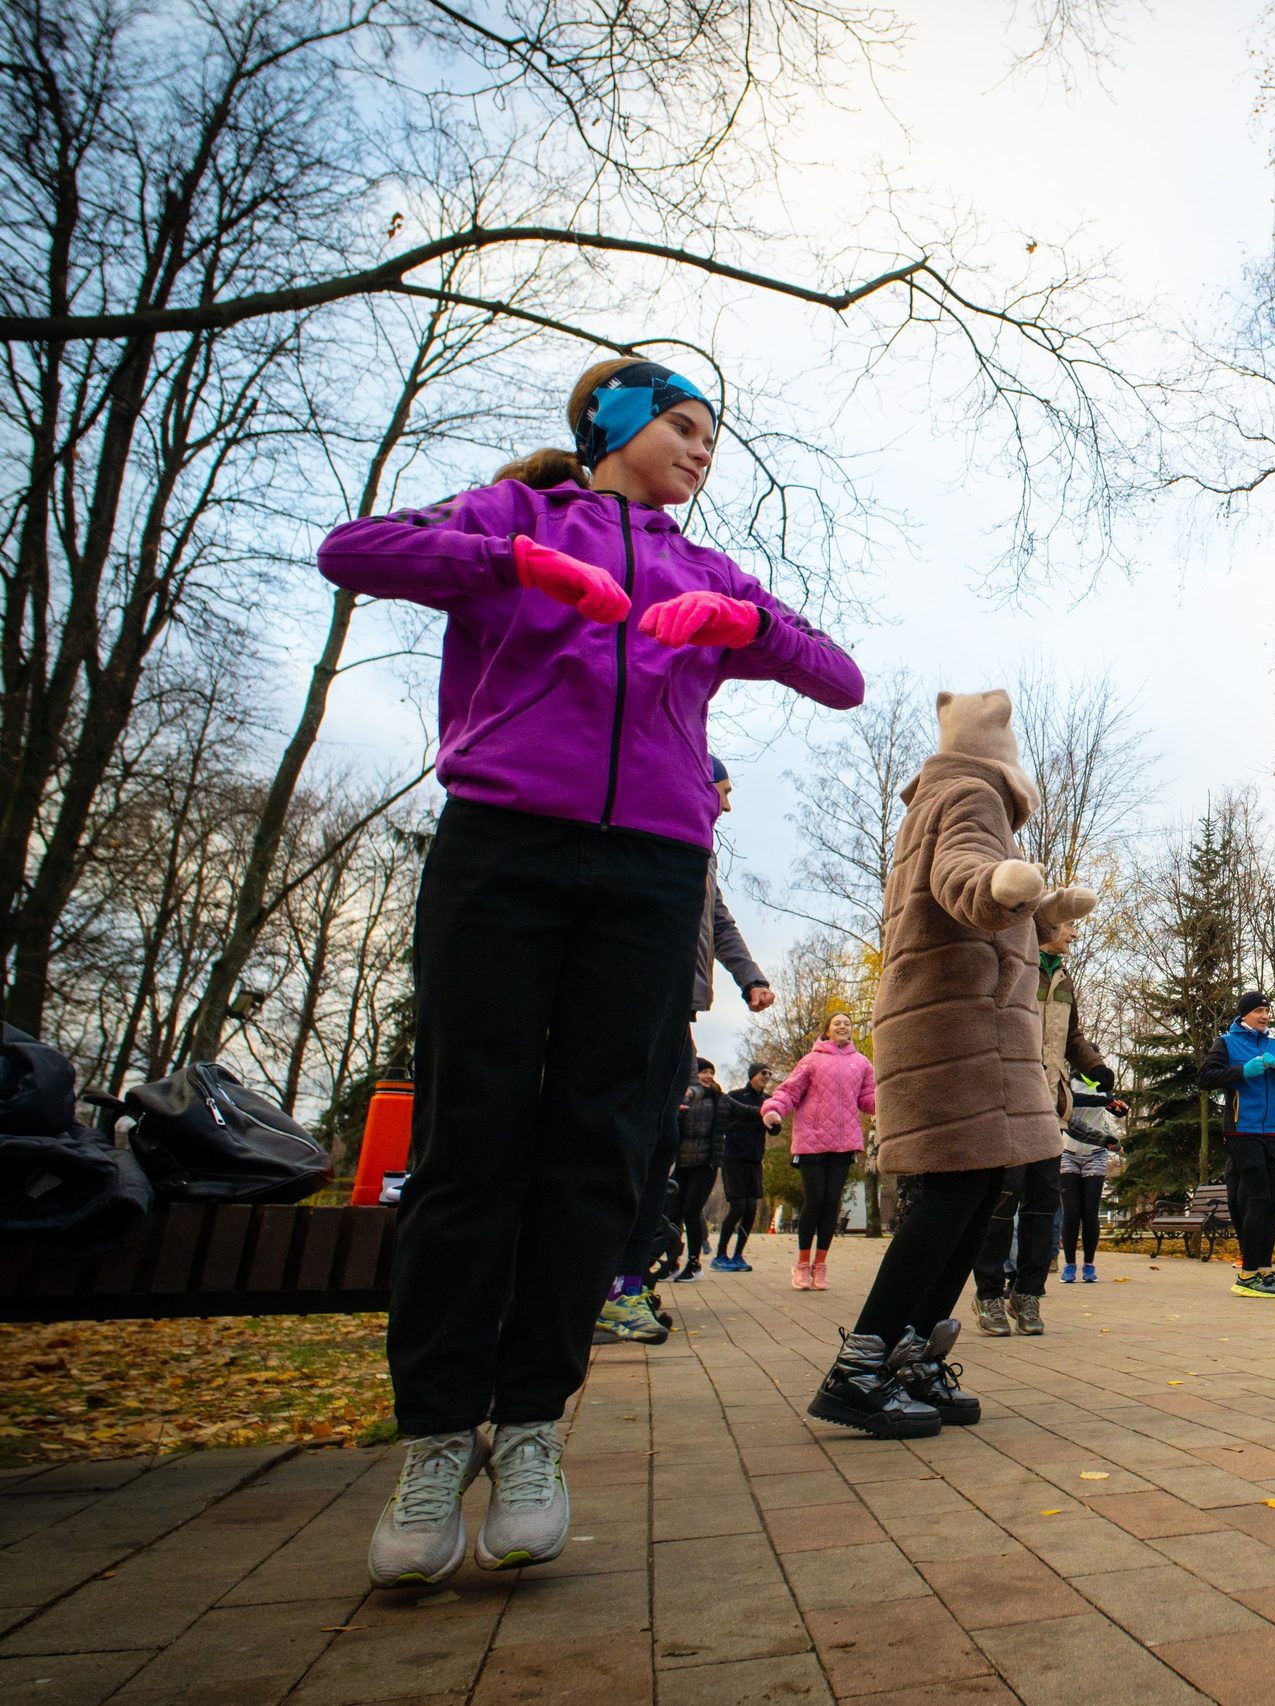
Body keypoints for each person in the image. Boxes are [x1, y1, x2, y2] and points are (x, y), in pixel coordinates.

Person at [324, 356, 865, 1589]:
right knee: (475, 1136)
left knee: (596, 1142)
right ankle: (431, 1436)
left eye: (711, 440)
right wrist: (508, 567)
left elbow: (841, 676)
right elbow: (350, 550)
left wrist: (745, 626)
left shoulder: (704, 565)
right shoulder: (514, 515)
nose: (700, 453)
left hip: (653, 873)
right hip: (505, 848)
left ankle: (527, 1429)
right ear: (613, 423)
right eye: (682, 428)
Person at [807, 691, 1090, 1438]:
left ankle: (912, 1352)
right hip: (958, 1028)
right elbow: (964, 874)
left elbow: (951, 882)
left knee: (975, 1188)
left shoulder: (938, 797)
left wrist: (1041, 900)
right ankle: (861, 1365)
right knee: (951, 1194)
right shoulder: (971, 792)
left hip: (954, 1023)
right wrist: (1002, 889)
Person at [595, 754, 774, 1340]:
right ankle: (596, 1285)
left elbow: (718, 922)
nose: (728, 804)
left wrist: (749, 977)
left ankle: (628, 1285)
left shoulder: (702, 856)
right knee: (624, 1139)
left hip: (678, 1005)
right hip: (631, 998)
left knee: (659, 1141)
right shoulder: (645, 830)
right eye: (723, 791)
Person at [974, 887, 1111, 1334]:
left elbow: (1071, 1039)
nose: (1074, 932)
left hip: (1049, 1106)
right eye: (1069, 924)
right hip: (1008, 1102)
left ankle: (1029, 1294)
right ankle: (989, 1293)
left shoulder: (1064, 980)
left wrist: (1095, 1066)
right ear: (1045, 928)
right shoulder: (1015, 971)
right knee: (1003, 1200)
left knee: (1042, 1203)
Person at [1200, 991, 1275, 1298]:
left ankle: (1264, 1271)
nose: (1264, 1016)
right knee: (1258, 1197)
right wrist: (1241, 1072)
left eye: (1267, 1011)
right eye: (1258, 1011)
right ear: (1244, 1014)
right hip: (1240, 1130)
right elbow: (1205, 1078)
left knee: (1273, 1199)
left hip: (1268, 1133)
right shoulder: (1227, 1043)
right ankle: (1246, 1275)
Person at [763, 1012, 878, 1291]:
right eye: (837, 1023)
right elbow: (789, 1091)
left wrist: (889, 1100)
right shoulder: (811, 1061)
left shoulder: (862, 1063)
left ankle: (821, 1266)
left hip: (843, 1142)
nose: (842, 1027)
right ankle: (802, 1265)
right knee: (814, 1200)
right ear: (827, 1030)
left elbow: (868, 1099)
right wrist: (774, 1110)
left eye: (847, 1024)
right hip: (811, 1141)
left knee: (831, 1203)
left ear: (851, 1031)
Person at [1057, 1071, 1124, 1284]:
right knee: (1071, 1211)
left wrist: (1120, 1108)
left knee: (1090, 1211)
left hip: (1096, 1153)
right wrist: (1104, 1100)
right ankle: (1069, 1264)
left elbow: (1115, 1110)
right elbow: (1075, 1100)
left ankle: (1089, 1264)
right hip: (1068, 1153)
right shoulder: (1067, 1083)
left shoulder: (1102, 1086)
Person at [711, 1063, 774, 1271]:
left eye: (769, 1074)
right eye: (763, 1073)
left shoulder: (768, 1100)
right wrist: (753, 1116)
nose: (767, 1077)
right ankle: (720, 1254)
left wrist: (775, 1120)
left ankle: (738, 1255)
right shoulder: (734, 1096)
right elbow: (725, 1122)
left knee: (751, 1209)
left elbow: (774, 1130)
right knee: (738, 1207)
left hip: (755, 1160)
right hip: (734, 1158)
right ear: (752, 1075)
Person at [668, 1059, 723, 1281]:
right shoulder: (680, 1099)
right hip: (680, 1164)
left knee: (691, 1212)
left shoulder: (719, 1100)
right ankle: (671, 1262)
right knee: (672, 1214)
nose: (709, 1076)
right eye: (704, 1072)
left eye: (711, 1072)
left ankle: (694, 1264)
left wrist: (767, 1112)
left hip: (704, 1166)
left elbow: (745, 1111)